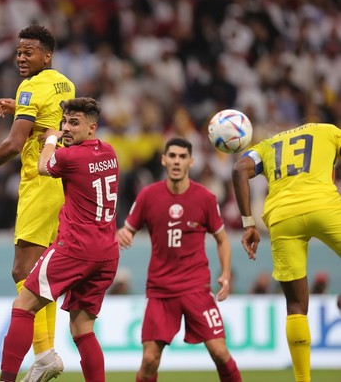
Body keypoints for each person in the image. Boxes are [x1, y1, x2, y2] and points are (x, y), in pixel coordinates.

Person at [0, 23, 75, 379]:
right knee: (43, 275)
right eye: (19, 52)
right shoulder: (64, 82)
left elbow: (14, 144)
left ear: (46, 55)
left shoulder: (30, 86)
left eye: (29, 52)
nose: (21, 58)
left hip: (39, 183)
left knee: (22, 271)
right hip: (62, 183)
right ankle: (47, 352)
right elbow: (52, 120)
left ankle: (45, 353)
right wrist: (21, 109)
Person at [0, 97, 119, 382]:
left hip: (75, 248)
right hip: (107, 253)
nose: (66, 128)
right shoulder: (109, 152)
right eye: (65, 122)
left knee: (22, 306)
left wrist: (51, 138)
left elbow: (43, 166)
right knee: (82, 330)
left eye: (74, 123)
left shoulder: (70, 157)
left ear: (92, 127)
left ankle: (6, 380)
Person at [117, 137, 242, 382]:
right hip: (160, 290)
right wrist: (123, 233)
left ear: (191, 161)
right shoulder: (148, 196)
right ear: (164, 160)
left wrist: (225, 274)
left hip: (196, 288)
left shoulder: (205, 198)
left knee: (220, 352)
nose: (176, 161)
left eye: (182, 157)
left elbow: (223, 240)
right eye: (172, 156)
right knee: (150, 360)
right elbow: (127, 230)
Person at [232, 122, 341, 382]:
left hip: (281, 217)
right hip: (324, 206)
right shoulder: (328, 131)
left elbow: (238, 170)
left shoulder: (267, 146)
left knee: (295, 306)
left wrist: (249, 224)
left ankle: (302, 379)